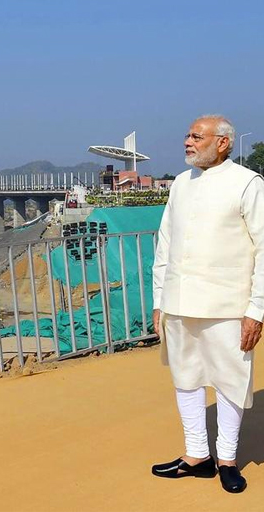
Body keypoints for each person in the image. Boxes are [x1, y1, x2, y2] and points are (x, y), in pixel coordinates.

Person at [151, 115, 264, 493]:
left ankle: (227, 459)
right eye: (187, 135)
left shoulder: (247, 183)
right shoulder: (180, 184)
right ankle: (197, 455)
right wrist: (158, 301)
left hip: (229, 305)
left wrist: (257, 310)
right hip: (180, 303)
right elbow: (165, 245)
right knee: (186, 379)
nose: (188, 141)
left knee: (231, 383)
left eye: (197, 136)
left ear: (223, 143)